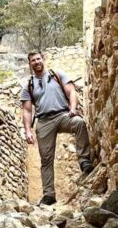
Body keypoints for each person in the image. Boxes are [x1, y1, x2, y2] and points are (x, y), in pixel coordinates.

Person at [20, 51, 94, 205]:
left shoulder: (57, 75)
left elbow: (71, 91)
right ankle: (49, 195)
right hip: (44, 121)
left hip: (62, 115)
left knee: (79, 123)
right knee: (46, 159)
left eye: (39, 58)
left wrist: (73, 108)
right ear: (30, 64)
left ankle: (84, 160)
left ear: (43, 59)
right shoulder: (29, 85)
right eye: (33, 60)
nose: (36, 62)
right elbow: (27, 110)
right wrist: (27, 130)